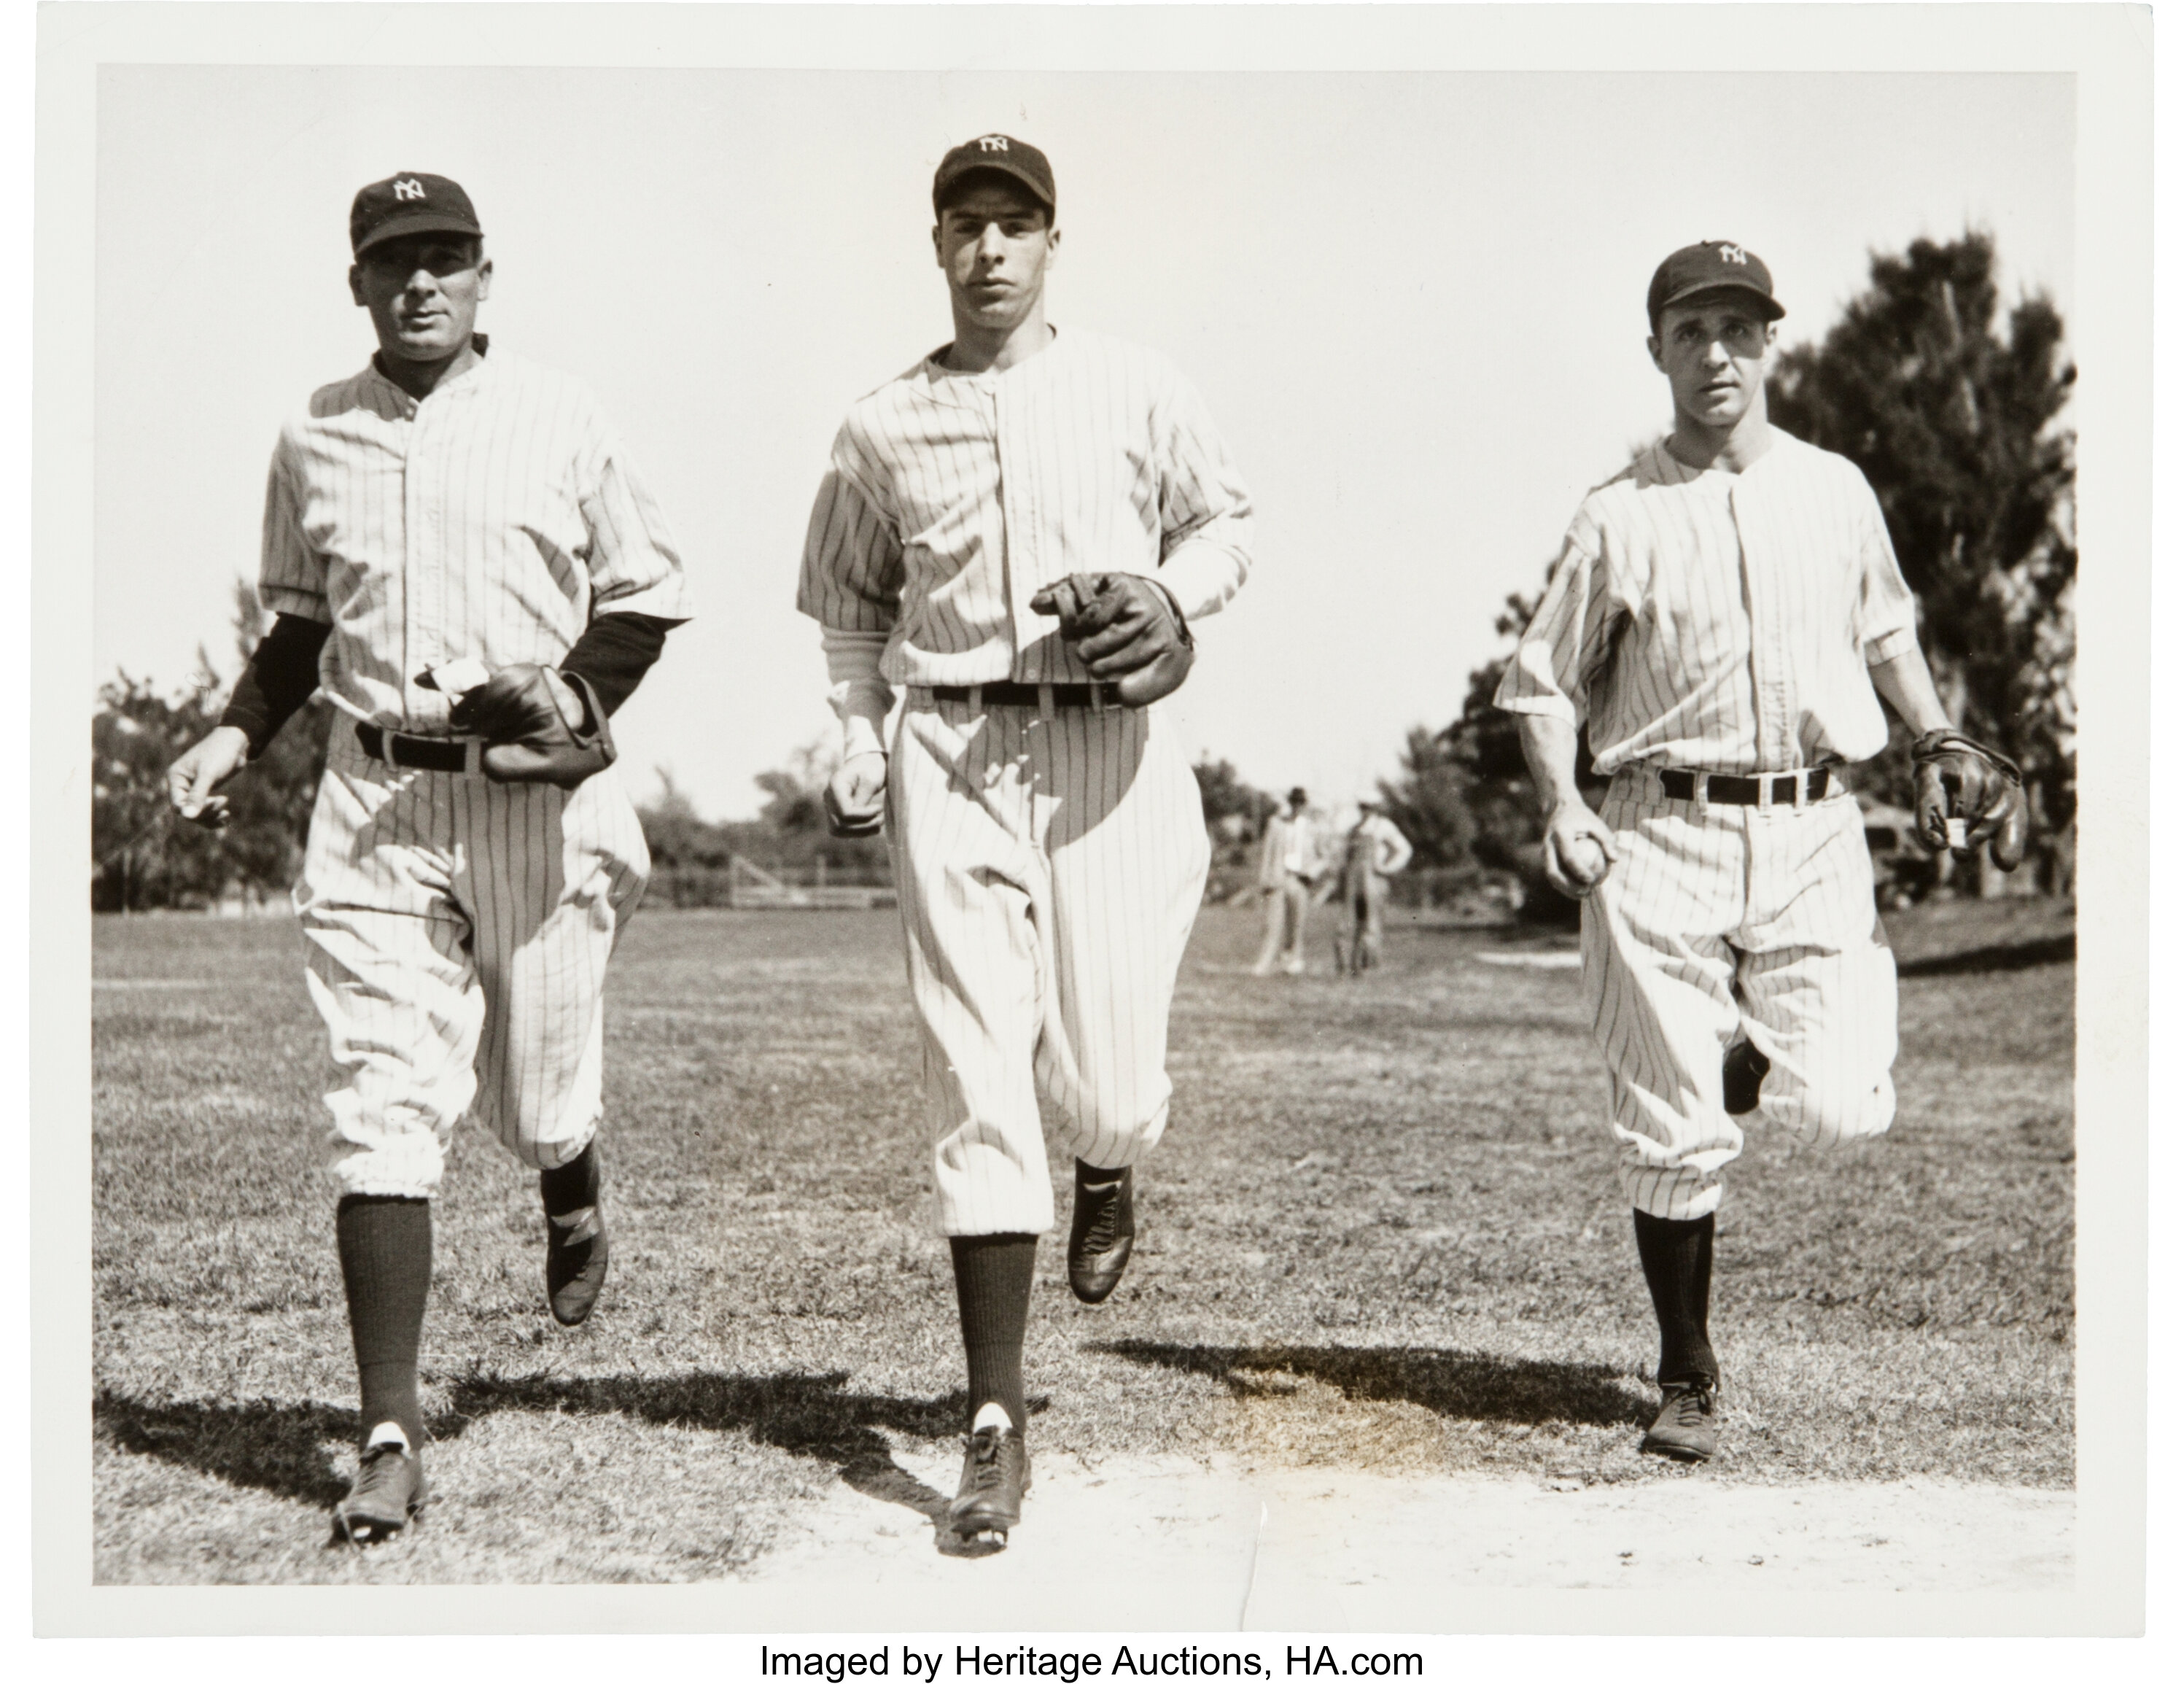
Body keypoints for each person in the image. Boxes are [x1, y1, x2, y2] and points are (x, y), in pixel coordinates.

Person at [163, 172, 691, 1543]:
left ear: (484, 274)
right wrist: (237, 732)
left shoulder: (562, 414)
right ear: (357, 281)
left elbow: (647, 591)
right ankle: (389, 1424)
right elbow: (297, 626)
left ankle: (566, 1168)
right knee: (384, 1105)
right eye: (393, 260)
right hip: (376, 797)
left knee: (529, 1098)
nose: (421, 281)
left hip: (536, 794)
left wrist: (577, 698)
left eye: (445, 256)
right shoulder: (313, 433)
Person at [1493, 240, 2026, 1464]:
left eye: (1740, 328)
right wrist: (1562, 805)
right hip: (1657, 826)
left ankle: (1737, 1063)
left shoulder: (1835, 489)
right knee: (1671, 1133)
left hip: (1810, 821)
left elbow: (1887, 625)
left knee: (1843, 1101)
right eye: (1693, 331)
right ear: (1659, 352)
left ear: (1771, 343)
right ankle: (1686, 1366)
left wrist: (1935, 726)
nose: (1718, 352)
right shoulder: (1617, 514)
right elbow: (1539, 684)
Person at [797, 134, 1252, 1549]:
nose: (990, 247)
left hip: (1106, 743)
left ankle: (1111, 1159)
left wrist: (1170, 597)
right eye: (964, 225)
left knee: (1106, 1078)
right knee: (977, 1067)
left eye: (1016, 223)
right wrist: (855, 726)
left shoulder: (1136, 385)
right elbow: (848, 599)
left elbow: (1225, 523)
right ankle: (994, 1414)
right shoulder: (882, 422)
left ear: (1056, 240)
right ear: (935, 247)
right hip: (951, 741)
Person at [1331, 799, 1413, 975]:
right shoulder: (1354, 830)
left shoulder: (1383, 826)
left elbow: (1405, 849)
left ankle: (1367, 964)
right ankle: (1346, 964)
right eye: (1361, 806)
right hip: (1353, 881)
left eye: (1368, 806)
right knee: (1349, 921)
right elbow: (1343, 857)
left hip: (1373, 880)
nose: (1364, 810)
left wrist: (1386, 867)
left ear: (1375, 808)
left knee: (1371, 922)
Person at [1251, 788, 1319, 976]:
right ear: (1289, 803)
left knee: (1296, 924)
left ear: (1305, 805)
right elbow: (1267, 853)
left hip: (1300, 879)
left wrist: (1312, 872)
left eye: (1300, 803)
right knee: (1272, 924)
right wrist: (1265, 880)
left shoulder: (1313, 827)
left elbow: (1325, 856)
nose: (1297, 806)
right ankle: (1264, 962)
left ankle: (1292, 960)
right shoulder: (1276, 823)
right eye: (1294, 802)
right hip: (1279, 878)